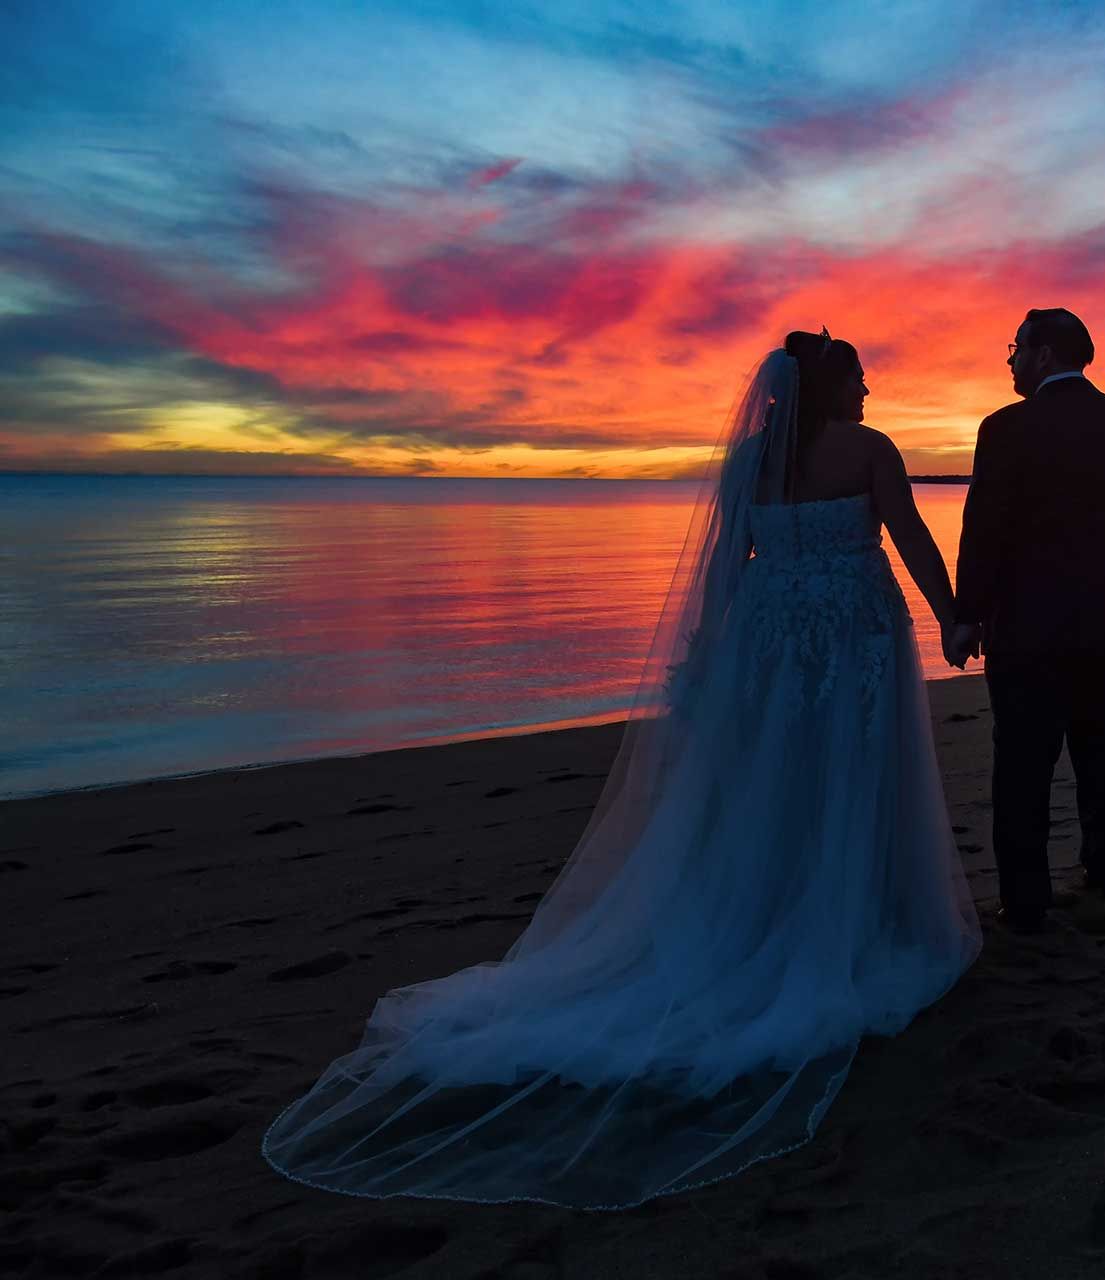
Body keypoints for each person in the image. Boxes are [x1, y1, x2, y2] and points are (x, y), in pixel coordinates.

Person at [260, 330, 983, 1210]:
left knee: (778, 790)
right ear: (829, 383)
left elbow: (725, 567)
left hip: (767, 642)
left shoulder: (755, 458)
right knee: (851, 781)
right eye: (859, 374)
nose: (868, 388)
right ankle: (852, 925)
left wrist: (711, 659)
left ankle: (780, 913)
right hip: (853, 636)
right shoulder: (869, 450)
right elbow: (908, 536)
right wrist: (952, 618)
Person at [953, 308, 1105, 934]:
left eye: (1015, 347)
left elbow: (985, 531)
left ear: (1044, 354)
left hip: (1028, 624)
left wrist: (967, 614)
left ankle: (1025, 900)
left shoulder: (1005, 429)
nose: (1010, 359)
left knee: (1023, 761)